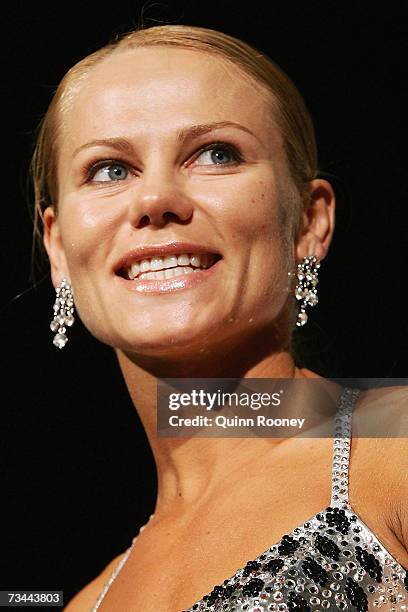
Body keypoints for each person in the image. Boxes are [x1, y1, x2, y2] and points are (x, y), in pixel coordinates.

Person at [30, 23, 407, 611]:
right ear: (57, 248)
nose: (154, 200)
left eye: (216, 154)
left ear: (309, 222)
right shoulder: (86, 603)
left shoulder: (394, 454)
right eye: (109, 169)